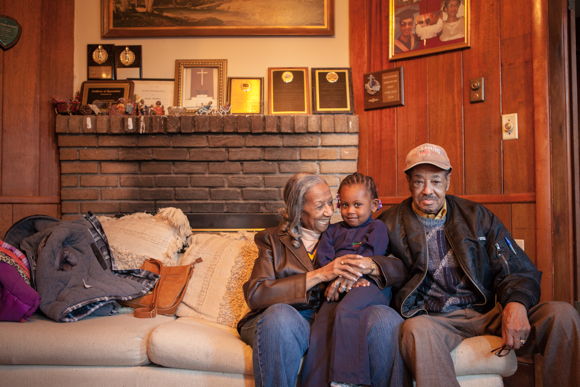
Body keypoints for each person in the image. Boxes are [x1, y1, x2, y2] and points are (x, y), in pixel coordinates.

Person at [378, 143, 580, 386]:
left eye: (436, 181)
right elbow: (376, 269)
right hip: (433, 319)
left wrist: (515, 303)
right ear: (408, 182)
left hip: (486, 314)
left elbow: (516, 267)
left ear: (448, 181)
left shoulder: (477, 216)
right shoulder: (387, 225)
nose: (427, 190)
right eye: (419, 181)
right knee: (416, 328)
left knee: (562, 314)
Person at [237, 172, 408, 387]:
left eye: (331, 202)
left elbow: (400, 268)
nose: (330, 212)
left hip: (335, 313)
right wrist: (320, 274)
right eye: (320, 206)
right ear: (298, 210)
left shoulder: (350, 231)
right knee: (280, 317)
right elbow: (256, 293)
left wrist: (370, 266)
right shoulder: (273, 241)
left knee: (386, 319)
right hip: (293, 319)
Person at [301, 173, 394, 387]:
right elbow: (324, 261)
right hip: (336, 286)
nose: (350, 211)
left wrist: (349, 279)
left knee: (347, 310)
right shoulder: (332, 230)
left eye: (357, 205)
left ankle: (347, 379)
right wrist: (335, 282)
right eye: (344, 204)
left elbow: (370, 257)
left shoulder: (376, 228)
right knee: (322, 325)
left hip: (368, 285)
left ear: (374, 205)